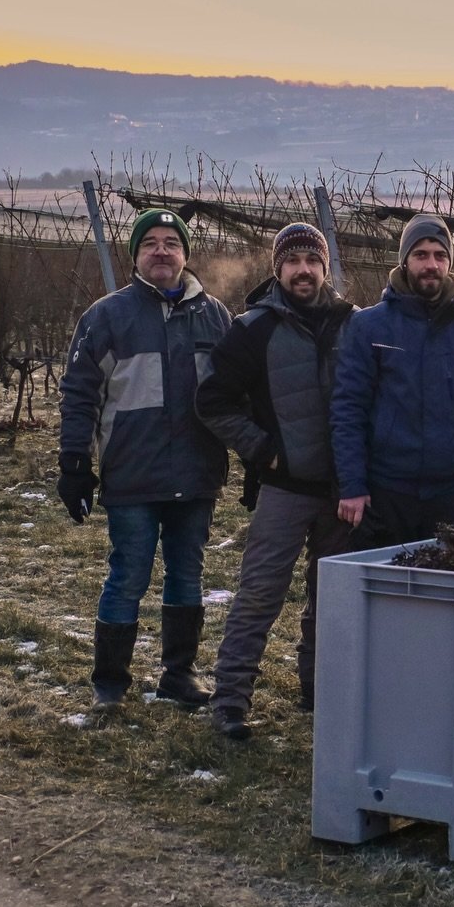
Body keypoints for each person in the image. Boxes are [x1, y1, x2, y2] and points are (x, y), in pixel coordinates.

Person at [58, 207, 231, 713]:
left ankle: (179, 676)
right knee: (128, 575)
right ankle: (110, 684)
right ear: (136, 255)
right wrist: (74, 462)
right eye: (150, 242)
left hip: (196, 474)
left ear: (184, 254)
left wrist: (259, 459)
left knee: (187, 576)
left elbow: (237, 394)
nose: (161, 250)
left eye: (171, 243)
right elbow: (79, 393)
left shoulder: (214, 316)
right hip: (132, 472)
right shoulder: (107, 316)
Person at [196, 222, 355, 740]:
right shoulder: (252, 329)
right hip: (283, 488)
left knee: (333, 597)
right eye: (293, 262)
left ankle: (320, 693)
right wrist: (263, 452)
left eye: (313, 260)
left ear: (325, 267)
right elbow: (212, 401)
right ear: (277, 268)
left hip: (340, 491)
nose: (303, 270)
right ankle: (231, 701)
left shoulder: (350, 323)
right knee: (259, 595)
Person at [329, 213, 454, 549]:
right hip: (387, 489)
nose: (431, 264)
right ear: (405, 261)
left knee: (447, 594)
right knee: (385, 591)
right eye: (421, 255)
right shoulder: (369, 327)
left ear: (450, 262)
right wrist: (353, 485)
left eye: (440, 255)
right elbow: (349, 409)